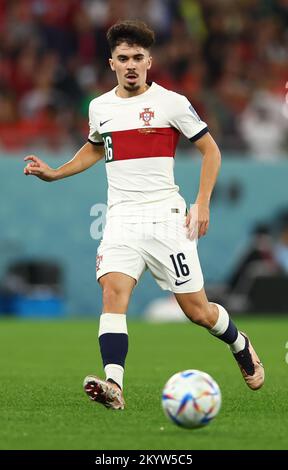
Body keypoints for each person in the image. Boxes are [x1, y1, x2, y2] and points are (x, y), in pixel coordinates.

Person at [23, 20, 264, 410]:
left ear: (149, 61)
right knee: (112, 293)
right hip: (120, 218)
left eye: (138, 57)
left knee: (198, 312)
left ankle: (239, 343)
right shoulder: (100, 107)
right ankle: (114, 384)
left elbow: (212, 151)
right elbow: (96, 148)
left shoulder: (171, 103)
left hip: (167, 218)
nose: (131, 64)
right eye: (123, 58)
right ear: (112, 63)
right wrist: (55, 172)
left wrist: (201, 202)